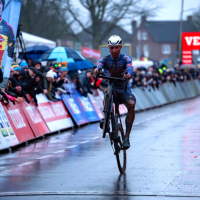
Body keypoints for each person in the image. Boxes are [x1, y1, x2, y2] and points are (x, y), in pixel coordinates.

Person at [94, 35, 136, 149]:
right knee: (107, 91)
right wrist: (97, 71)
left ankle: (126, 137)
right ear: (109, 47)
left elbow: (130, 68)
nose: (114, 50)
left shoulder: (126, 58)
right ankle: (106, 119)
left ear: (120, 47)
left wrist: (128, 74)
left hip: (124, 89)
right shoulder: (105, 59)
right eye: (112, 48)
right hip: (112, 88)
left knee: (132, 105)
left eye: (116, 47)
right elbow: (99, 67)